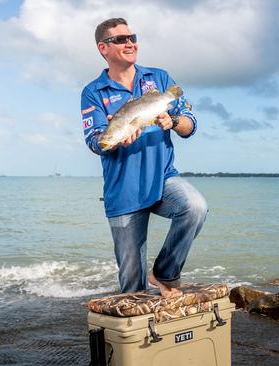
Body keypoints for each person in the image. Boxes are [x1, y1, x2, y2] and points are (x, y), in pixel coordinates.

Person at [80, 18, 207, 298]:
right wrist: (113, 142)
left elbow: (189, 123)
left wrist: (172, 120)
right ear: (103, 48)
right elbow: (95, 140)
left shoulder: (159, 78)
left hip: (163, 179)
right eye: (121, 39)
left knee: (195, 207)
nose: (130, 43)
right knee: (133, 289)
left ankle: (165, 273)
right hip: (123, 192)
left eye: (132, 37)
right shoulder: (93, 92)